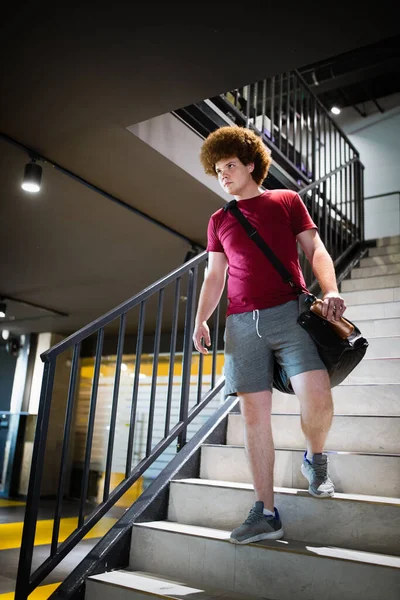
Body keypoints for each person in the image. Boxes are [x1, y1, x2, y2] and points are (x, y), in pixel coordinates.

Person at [192, 125, 346, 545]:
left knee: (317, 397)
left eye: (230, 165)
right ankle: (266, 511)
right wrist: (201, 319)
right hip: (242, 324)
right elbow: (214, 275)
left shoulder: (286, 200)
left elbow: (314, 249)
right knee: (254, 417)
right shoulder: (219, 219)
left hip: (289, 314)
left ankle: (315, 458)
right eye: (217, 168)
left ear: (251, 165)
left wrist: (330, 288)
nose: (222, 174)